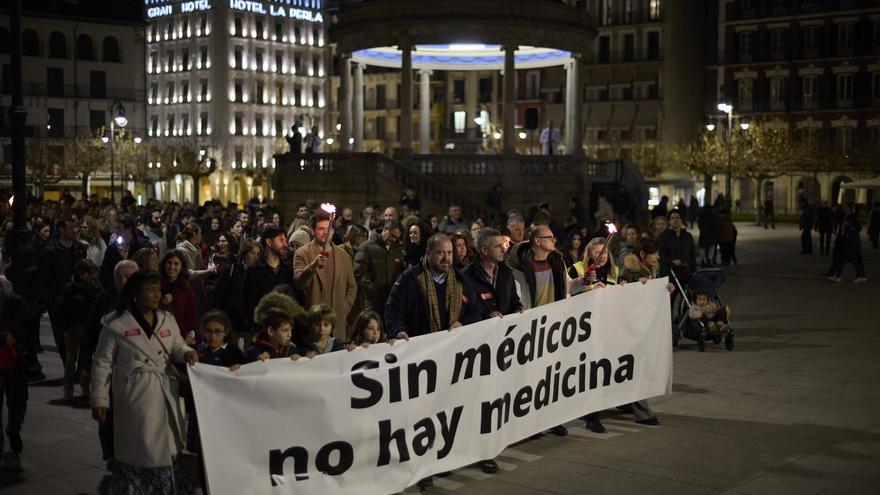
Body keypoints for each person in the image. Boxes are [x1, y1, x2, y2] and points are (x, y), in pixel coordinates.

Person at [90, 271, 198, 495]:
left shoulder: (167, 319)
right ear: (135, 294)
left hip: (165, 390)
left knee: (168, 446)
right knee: (140, 449)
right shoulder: (115, 324)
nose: (156, 294)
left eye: (158, 289)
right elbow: (102, 362)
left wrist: (187, 353)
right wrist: (99, 398)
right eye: (150, 289)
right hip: (135, 395)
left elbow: (177, 346)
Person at [507, 226, 579, 437]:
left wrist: (583, 282)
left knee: (551, 377)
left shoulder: (557, 262)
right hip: (530, 329)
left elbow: (568, 288)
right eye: (549, 237)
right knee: (529, 380)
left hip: (553, 327)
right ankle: (530, 424)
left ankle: (552, 419)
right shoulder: (520, 267)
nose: (554, 240)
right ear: (537, 241)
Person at [78, 260, 138, 469]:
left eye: (128, 276)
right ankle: (111, 454)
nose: (123, 280)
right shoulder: (104, 300)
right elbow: (90, 334)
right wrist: (83, 364)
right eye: (119, 276)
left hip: (135, 370)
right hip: (110, 366)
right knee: (107, 412)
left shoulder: (144, 299)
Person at [385, 234, 480, 339]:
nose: (446, 258)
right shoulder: (409, 278)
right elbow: (392, 310)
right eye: (440, 253)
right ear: (428, 253)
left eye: (449, 253)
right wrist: (398, 331)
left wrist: (463, 323)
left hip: (453, 346)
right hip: (419, 347)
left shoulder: (461, 279)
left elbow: (475, 311)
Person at [616, 237, 667, 426]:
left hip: (643, 328)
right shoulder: (629, 272)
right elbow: (622, 297)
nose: (658, 257)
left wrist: (662, 289)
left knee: (633, 369)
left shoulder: (649, 271)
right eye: (655, 254)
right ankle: (642, 413)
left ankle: (626, 403)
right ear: (644, 254)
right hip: (632, 330)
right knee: (639, 370)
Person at [293, 211, 358, 341]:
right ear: (312, 231)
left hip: (337, 323)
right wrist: (313, 266)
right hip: (314, 324)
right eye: (320, 229)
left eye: (328, 228)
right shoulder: (302, 253)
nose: (325, 232)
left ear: (333, 231)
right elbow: (298, 283)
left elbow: (352, 286)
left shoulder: (343, 256)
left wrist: (343, 308)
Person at [37, 215, 87, 365]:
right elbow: (43, 277)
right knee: (60, 334)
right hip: (57, 298)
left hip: (77, 298)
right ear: (61, 230)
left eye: (75, 227)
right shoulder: (50, 249)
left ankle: (76, 364)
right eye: (70, 228)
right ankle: (68, 363)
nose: (74, 230)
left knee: (77, 333)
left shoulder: (79, 248)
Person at [0, 275, 35, 471]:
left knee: (18, 402)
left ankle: (14, 430)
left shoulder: (18, 303)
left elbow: (29, 326)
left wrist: (18, 344)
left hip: (15, 362)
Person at [56, 259, 99, 403]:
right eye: (90, 273)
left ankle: (85, 389)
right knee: (70, 362)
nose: (93, 276)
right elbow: (63, 308)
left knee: (86, 361)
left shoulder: (94, 287)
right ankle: (69, 391)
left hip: (87, 328)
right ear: (81, 273)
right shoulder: (71, 288)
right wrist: (66, 326)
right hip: (74, 327)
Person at [243, 225, 294, 326]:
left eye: (285, 240)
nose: (285, 244)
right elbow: (249, 304)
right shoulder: (254, 270)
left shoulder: (288, 268)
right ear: (269, 242)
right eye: (281, 240)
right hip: (263, 326)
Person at [353, 220, 404, 313]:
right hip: (373, 301)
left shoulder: (398, 249)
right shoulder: (367, 247)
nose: (393, 239)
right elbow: (359, 272)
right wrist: (372, 288)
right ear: (385, 229)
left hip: (393, 300)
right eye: (392, 235)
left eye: (396, 238)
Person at [244, 293, 304, 363]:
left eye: (291, 329)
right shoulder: (253, 352)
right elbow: (245, 371)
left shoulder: (292, 349)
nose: (289, 334)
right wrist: (256, 362)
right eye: (285, 330)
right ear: (271, 331)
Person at [100, 214, 148, 288]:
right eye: (116, 228)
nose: (116, 231)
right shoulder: (113, 247)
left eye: (119, 228)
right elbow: (105, 270)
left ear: (129, 229)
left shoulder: (141, 246)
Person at [159, 250, 198, 338]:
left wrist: (190, 334)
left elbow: (191, 315)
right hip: (161, 334)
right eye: (169, 263)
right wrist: (161, 304)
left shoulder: (186, 289)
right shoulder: (156, 285)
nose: (172, 267)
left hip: (181, 335)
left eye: (176, 264)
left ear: (182, 267)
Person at [826, 207, 868, 283]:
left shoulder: (852, 226)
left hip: (851, 247)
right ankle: (838, 276)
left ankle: (861, 276)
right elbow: (842, 231)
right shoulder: (847, 221)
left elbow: (850, 235)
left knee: (853, 261)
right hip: (848, 246)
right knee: (843, 261)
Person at [658, 210, 697, 282]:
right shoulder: (663, 237)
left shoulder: (688, 236)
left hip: (686, 273)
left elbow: (692, 255)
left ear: (681, 220)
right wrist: (672, 261)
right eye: (672, 218)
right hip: (671, 274)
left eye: (678, 217)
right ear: (669, 222)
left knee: (686, 293)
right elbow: (661, 254)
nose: (675, 220)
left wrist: (694, 272)